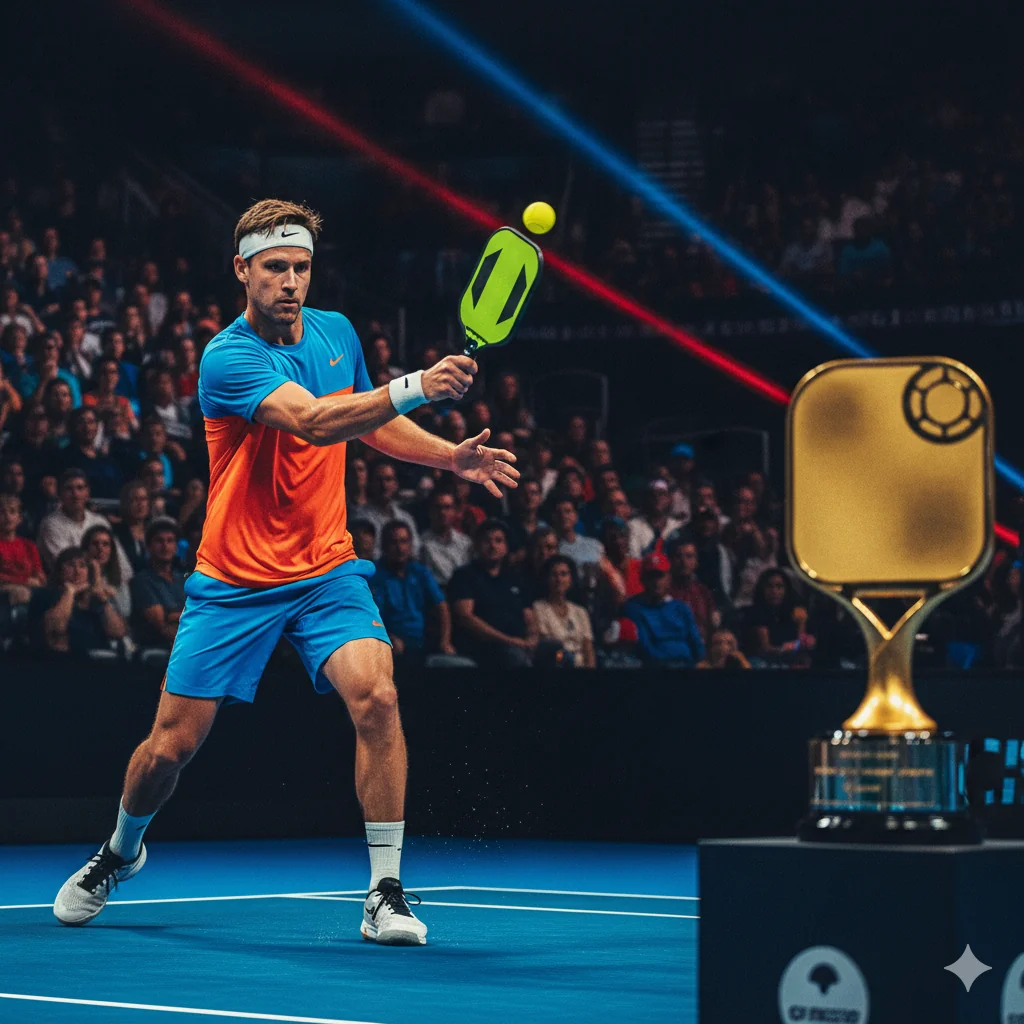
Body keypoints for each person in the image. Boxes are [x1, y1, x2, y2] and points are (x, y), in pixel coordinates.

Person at [53, 199, 518, 948]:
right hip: (234, 581)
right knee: (170, 747)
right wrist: (416, 384)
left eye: (301, 267)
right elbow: (313, 419)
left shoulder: (336, 332)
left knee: (379, 695)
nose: (291, 282)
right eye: (275, 268)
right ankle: (119, 850)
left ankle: (384, 891)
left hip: (327, 570)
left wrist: (449, 456)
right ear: (242, 270)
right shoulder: (227, 358)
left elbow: (370, 420)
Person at [449, 519, 536, 668]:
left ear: (506, 547)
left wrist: (533, 639)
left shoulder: (515, 577)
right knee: (516, 657)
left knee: (555, 650)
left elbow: (529, 617)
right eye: (487, 541)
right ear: (476, 546)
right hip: (485, 645)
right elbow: (465, 617)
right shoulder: (464, 576)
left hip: (518, 642)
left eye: (498, 541)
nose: (493, 546)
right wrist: (509, 641)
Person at [370, 520, 458, 662]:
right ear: (384, 546)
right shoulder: (374, 575)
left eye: (404, 542)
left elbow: (442, 607)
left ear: (410, 545)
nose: (400, 548)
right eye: (394, 542)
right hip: (391, 643)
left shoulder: (419, 572)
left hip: (422, 641)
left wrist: (445, 641)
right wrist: (386, 638)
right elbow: (371, 617)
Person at [33, 545, 127, 657]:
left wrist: (104, 601)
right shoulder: (44, 595)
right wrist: (70, 592)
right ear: (59, 570)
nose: (77, 571)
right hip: (63, 663)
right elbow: (56, 629)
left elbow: (118, 633)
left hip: (99, 661)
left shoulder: (96, 599)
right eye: (71, 565)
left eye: (82, 566)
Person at [623, 553, 706, 667]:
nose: (656, 582)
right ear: (643, 579)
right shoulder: (634, 608)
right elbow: (645, 647)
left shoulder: (681, 608)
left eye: (660, 576)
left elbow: (697, 645)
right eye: (651, 576)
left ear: (668, 578)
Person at [130, 517, 186, 649]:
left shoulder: (183, 579)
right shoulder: (142, 581)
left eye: (170, 541)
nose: (165, 546)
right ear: (149, 546)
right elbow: (160, 623)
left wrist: (172, 615)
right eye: (159, 541)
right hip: (156, 647)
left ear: (176, 547)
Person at [532, 555, 595, 668]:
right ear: (547, 578)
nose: (559, 579)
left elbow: (588, 650)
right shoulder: (538, 608)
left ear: (571, 579)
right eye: (554, 575)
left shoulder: (580, 611)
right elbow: (542, 647)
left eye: (564, 574)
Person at [744, 568, 815, 666]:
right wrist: (787, 647)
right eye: (769, 586)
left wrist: (801, 623)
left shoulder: (793, 612)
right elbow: (766, 649)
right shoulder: (754, 613)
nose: (774, 591)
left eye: (779, 586)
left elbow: (800, 643)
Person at [358, 458, 420, 560]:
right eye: (379, 480)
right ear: (371, 484)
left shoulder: (406, 518)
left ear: (396, 484)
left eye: (388, 479)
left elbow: (416, 550)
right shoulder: (362, 518)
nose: (384, 485)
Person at [667, 537, 719, 646]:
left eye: (689, 556)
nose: (684, 562)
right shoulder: (663, 592)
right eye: (678, 556)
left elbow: (711, 626)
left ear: (696, 562)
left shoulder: (703, 592)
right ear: (670, 560)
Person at [420, 487, 473, 586]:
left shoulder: (466, 543)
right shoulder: (421, 544)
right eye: (438, 508)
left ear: (455, 511)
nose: (442, 513)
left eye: (447, 507)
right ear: (430, 511)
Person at [0, 494, 44, 609]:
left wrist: (40, 579)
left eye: (12, 512)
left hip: (31, 589)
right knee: (21, 593)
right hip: (6, 591)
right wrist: (23, 581)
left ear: (19, 518)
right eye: (2, 513)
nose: (7, 517)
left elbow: (38, 575)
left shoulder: (29, 545)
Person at [82, 523, 132, 621]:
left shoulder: (118, 580)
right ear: (86, 548)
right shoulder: (79, 577)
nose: (100, 548)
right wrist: (96, 574)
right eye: (95, 544)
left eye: (105, 544)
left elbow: (125, 612)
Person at [627, 479, 683, 559]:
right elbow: (634, 557)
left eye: (661, 494)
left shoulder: (677, 526)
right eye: (653, 495)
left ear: (669, 499)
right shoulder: (634, 525)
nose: (657, 498)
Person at [113, 480, 151, 573]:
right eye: (134, 499)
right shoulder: (115, 533)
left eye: (143, 499)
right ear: (125, 503)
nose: (140, 504)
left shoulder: (154, 531)